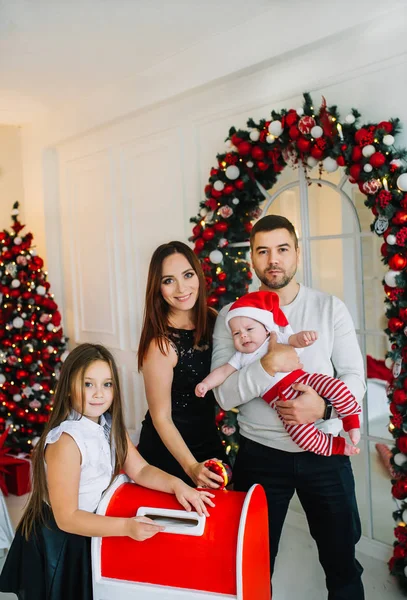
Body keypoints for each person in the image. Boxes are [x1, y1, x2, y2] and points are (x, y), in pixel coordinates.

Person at [211, 215, 365, 599]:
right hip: (261, 457)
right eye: (263, 251)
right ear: (252, 258)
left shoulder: (330, 308)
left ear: (297, 252)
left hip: (326, 458)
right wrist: (267, 365)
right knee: (252, 565)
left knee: (342, 564)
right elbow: (224, 395)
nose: (273, 260)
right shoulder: (234, 316)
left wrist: (323, 410)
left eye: (282, 249)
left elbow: (354, 378)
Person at [0, 343, 214, 600]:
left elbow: (141, 469)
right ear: (68, 388)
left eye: (107, 384)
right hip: (62, 539)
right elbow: (67, 517)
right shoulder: (67, 442)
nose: (99, 393)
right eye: (88, 384)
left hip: (91, 526)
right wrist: (126, 527)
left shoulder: (108, 425)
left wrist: (178, 485)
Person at [196, 290, 361, 456]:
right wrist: (206, 384)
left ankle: (351, 421)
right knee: (302, 437)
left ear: (266, 329)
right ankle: (336, 447)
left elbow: (293, 340)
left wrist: (304, 338)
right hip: (281, 405)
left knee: (336, 387)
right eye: (236, 334)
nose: (243, 336)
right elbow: (222, 373)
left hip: (306, 381)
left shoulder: (274, 338)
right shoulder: (240, 357)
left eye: (249, 329)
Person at [137, 241, 228, 489]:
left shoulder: (212, 318)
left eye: (187, 275)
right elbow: (161, 417)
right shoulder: (161, 345)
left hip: (208, 439)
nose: (181, 288)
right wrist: (191, 467)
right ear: (158, 288)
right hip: (169, 452)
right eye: (168, 280)